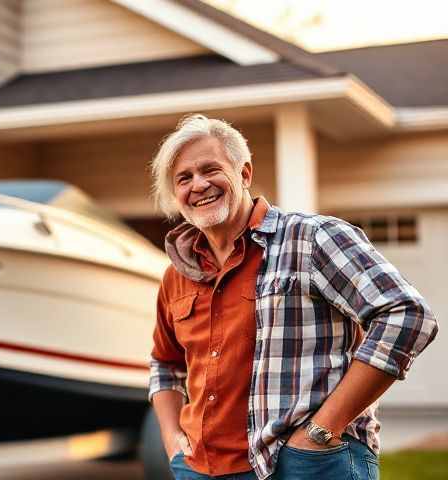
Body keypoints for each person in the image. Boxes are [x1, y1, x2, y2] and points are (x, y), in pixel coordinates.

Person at [148, 114, 439, 480]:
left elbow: (406, 314)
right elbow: (165, 364)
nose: (199, 184)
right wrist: (172, 439)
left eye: (211, 169)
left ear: (244, 174)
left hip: (307, 464)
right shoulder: (177, 274)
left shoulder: (311, 238)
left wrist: (322, 430)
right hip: (199, 469)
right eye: (184, 178)